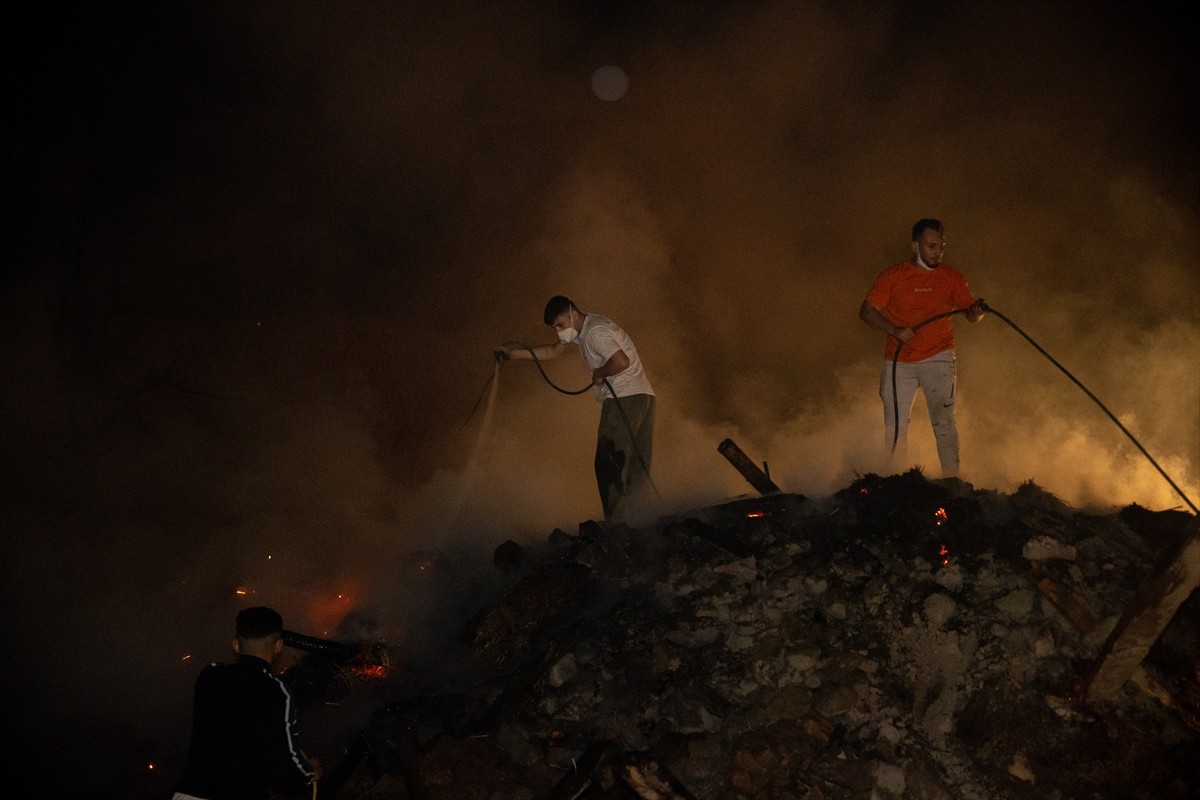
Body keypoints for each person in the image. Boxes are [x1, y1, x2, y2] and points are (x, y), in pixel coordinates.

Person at [496, 295, 656, 521]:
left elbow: (620, 362)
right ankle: (644, 522)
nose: (559, 332)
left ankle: (618, 525)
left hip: (624, 397)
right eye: (555, 328)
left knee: (608, 462)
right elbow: (552, 351)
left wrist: (599, 373)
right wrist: (512, 355)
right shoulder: (585, 332)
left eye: (560, 325)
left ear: (571, 312)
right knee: (635, 469)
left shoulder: (594, 332)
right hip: (644, 397)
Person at [858, 218, 985, 478]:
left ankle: (953, 479)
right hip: (898, 362)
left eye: (941, 246)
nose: (937, 252)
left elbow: (972, 315)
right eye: (931, 246)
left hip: (939, 357)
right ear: (915, 246)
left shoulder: (952, 277)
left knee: (944, 420)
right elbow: (866, 312)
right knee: (895, 426)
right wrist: (894, 330)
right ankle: (894, 480)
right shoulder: (893, 276)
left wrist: (977, 312)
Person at [172, 606, 320, 800]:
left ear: (236, 645)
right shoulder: (277, 691)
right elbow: (285, 758)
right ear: (278, 646)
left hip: (188, 794)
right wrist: (309, 773)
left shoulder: (210, 675)